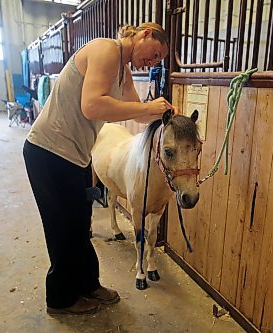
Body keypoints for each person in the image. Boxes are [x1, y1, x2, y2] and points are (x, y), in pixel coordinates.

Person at [23, 22, 176, 315]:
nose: (154, 62)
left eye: (159, 60)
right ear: (144, 35)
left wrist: (162, 114)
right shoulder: (106, 49)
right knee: (62, 228)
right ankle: (60, 299)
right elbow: (92, 106)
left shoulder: (124, 70)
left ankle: (88, 284)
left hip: (76, 155)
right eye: (155, 53)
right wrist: (147, 108)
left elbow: (137, 112)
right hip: (49, 151)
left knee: (80, 225)